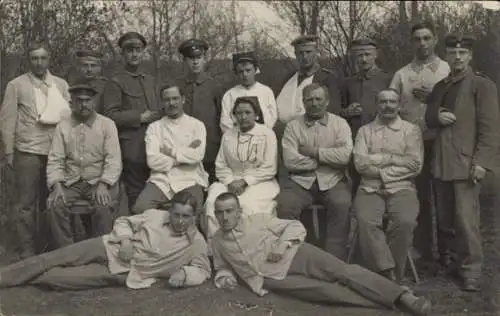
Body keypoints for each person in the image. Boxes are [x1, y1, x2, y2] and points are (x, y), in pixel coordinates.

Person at [211, 192, 432, 316]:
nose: (224, 217)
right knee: (326, 292)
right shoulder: (217, 241)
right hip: (272, 279)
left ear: (239, 211)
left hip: (296, 254)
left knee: (342, 272)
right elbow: (222, 267)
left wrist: (281, 245)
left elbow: (294, 227)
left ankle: (404, 296)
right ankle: (389, 305)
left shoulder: (257, 220)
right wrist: (225, 278)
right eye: (219, 213)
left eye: (229, 211)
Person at [0, 191, 211, 291]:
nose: (180, 221)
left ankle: (24, 277)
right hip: (109, 246)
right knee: (52, 258)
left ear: (194, 217)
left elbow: (203, 270)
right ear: (170, 211)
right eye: (176, 215)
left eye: (186, 216)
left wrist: (184, 273)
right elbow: (123, 221)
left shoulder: (196, 243)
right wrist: (126, 242)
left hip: (125, 271)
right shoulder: (155, 215)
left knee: (55, 278)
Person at [425, 34, 499, 292]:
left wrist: (481, 162)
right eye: (452, 53)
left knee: (466, 220)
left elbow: (491, 130)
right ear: (446, 56)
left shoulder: (481, 85)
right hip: (442, 163)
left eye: (462, 53)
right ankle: (452, 263)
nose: (457, 58)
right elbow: (428, 115)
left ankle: (472, 271)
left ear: (469, 56)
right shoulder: (440, 86)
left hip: (467, 164)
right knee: (445, 220)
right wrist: (436, 114)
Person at [0, 42, 70, 258]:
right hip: (27, 150)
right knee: (25, 204)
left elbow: (68, 118)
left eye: (43, 58)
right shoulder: (16, 85)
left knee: (50, 202)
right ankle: (27, 249)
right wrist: (9, 151)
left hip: (55, 152)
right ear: (28, 60)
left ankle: (48, 246)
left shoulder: (60, 84)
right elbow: (7, 119)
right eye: (34, 58)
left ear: (49, 60)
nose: (39, 62)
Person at [390, 22, 450, 262]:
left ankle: (447, 251)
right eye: (417, 39)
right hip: (414, 143)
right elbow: (390, 107)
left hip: (444, 141)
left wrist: (435, 98)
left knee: (445, 197)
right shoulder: (402, 74)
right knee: (420, 197)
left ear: (435, 40)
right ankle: (423, 249)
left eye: (427, 38)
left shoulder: (447, 69)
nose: (422, 43)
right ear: (411, 42)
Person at [353, 89, 424, 282]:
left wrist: (378, 166)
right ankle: (386, 270)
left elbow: (415, 166)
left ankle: (390, 275)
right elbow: (360, 164)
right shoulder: (364, 131)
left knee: (406, 221)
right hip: (369, 187)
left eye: (392, 102)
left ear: (399, 105)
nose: (388, 106)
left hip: (402, 188)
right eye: (383, 102)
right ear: (377, 105)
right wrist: (394, 160)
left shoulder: (411, 130)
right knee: (367, 221)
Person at [278, 83, 352, 260]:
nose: (314, 103)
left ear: (327, 102)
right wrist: (324, 161)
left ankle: (334, 261)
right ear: (303, 102)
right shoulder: (293, 126)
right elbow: (290, 160)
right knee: (285, 205)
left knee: (342, 204)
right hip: (300, 182)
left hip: (333, 179)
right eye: (309, 99)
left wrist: (315, 153)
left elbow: (345, 157)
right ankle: (296, 257)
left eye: (319, 99)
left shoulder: (340, 124)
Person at [46, 82, 122, 248]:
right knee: (55, 205)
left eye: (87, 100)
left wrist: (104, 184)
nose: (84, 104)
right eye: (79, 100)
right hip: (71, 181)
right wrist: (56, 185)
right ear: (71, 102)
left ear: (94, 101)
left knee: (103, 206)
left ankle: (100, 251)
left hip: (98, 180)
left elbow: (114, 160)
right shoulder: (63, 126)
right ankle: (66, 251)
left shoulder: (106, 124)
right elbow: (55, 159)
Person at [204, 96, 279, 249]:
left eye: (247, 112)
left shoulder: (267, 134)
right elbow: (221, 165)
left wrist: (245, 181)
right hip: (230, 181)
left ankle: (248, 249)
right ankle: (216, 250)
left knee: (247, 205)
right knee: (213, 202)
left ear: (256, 114)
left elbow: (269, 167)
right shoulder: (228, 135)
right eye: (238, 113)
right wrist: (230, 181)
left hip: (259, 182)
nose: (243, 117)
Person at [103, 32, 161, 211]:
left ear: (143, 52)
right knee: (135, 195)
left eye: (138, 50)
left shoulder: (151, 80)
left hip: (156, 146)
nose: (134, 54)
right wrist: (139, 117)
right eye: (130, 50)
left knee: (156, 192)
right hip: (132, 148)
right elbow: (110, 115)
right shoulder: (116, 81)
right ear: (123, 54)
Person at [132, 82, 208, 214]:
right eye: (167, 100)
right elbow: (153, 161)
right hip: (162, 180)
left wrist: (170, 153)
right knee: (140, 209)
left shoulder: (197, 125)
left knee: (193, 213)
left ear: (183, 99)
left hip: (189, 178)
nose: (171, 103)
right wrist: (183, 157)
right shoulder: (154, 127)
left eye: (175, 98)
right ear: (162, 102)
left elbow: (198, 155)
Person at [340, 38, 393, 193]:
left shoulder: (387, 79)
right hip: (356, 141)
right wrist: (347, 112)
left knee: (384, 184)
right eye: (359, 55)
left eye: (367, 54)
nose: (363, 59)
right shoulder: (348, 83)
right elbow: (339, 112)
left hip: (383, 141)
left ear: (375, 55)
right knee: (357, 183)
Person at [176, 39, 224, 184]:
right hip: (183, 146)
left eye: (199, 58)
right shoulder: (177, 85)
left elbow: (222, 117)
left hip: (209, 148)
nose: (195, 62)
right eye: (191, 58)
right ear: (184, 60)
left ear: (205, 59)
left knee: (211, 187)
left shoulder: (215, 85)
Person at [276, 35, 341, 126]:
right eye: (300, 53)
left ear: (316, 52)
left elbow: (333, 112)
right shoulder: (288, 78)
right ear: (295, 54)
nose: (304, 56)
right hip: (283, 132)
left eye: (308, 52)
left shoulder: (327, 78)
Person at [220, 51, 277, 133]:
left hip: (261, 136)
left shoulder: (266, 91)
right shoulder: (230, 94)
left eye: (248, 70)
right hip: (237, 137)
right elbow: (225, 121)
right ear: (236, 73)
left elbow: (272, 117)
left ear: (255, 70)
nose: (245, 74)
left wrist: (261, 133)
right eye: (241, 71)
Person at [67, 49, 108, 114]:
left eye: (93, 66)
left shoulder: (107, 87)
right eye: (85, 65)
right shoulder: (72, 85)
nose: (89, 69)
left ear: (100, 68)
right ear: (79, 67)